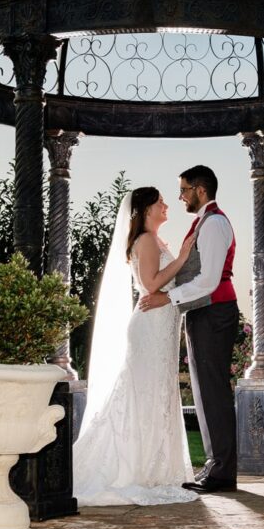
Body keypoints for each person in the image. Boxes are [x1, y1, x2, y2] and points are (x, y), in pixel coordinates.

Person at [70, 186, 200, 506]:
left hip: (163, 326)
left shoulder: (155, 240)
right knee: (145, 393)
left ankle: (158, 468)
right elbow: (151, 283)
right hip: (149, 328)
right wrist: (183, 257)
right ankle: (136, 468)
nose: (166, 204)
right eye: (160, 202)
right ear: (145, 210)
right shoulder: (144, 239)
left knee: (159, 393)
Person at [138, 165, 240, 494]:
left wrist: (168, 298)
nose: (180, 197)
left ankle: (221, 471)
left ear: (200, 190)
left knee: (213, 391)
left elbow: (209, 280)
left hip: (215, 311)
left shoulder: (214, 224)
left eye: (183, 190)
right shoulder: (203, 223)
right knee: (204, 391)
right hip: (203, 313)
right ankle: (215, 466)